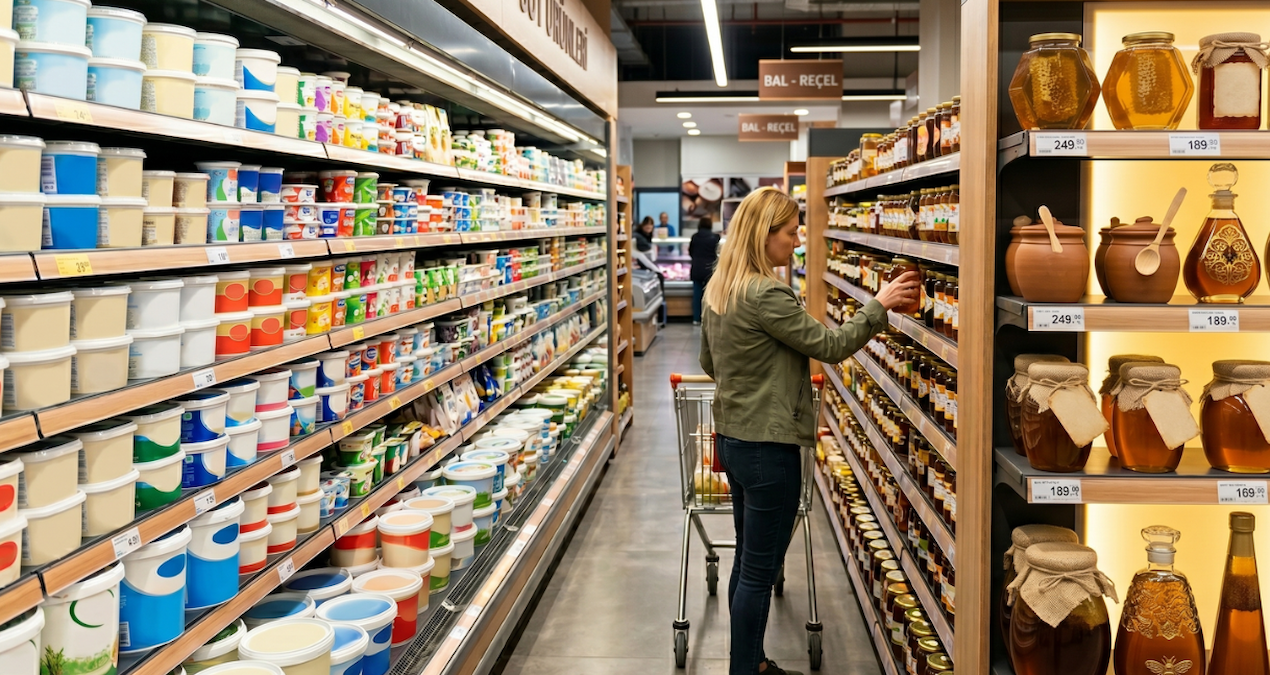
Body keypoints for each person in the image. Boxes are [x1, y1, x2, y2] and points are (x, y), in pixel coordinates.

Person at [699, 187, 919, 675]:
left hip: (733, 441)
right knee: (760, 570)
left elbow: (709, 362)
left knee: (747, 562)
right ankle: (745, 671)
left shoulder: (720, 289)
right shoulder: (766, 294)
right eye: (790, 231)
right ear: (765, 236)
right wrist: (877, 304)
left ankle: (751, 663)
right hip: (768, 447)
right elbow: (833, 344)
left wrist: (754, 378)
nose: (797, 241)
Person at [688, 216, 721, 325]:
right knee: (709, 295)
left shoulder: (695, 237)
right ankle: (707, 318)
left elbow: (691, 252)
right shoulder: (715, 237)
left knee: (697, 295)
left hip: (696, 268)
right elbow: (717, 252)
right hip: (710, 269)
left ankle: (696, 319)